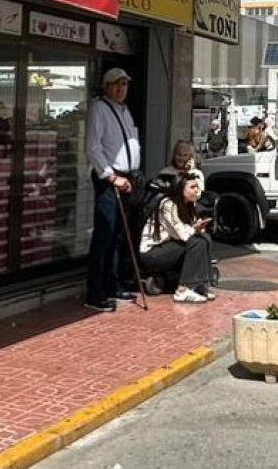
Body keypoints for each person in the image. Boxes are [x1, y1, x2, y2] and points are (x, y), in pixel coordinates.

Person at [85, 67, 141, 312]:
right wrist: (111, 176)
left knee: (118, 235)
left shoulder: (124, 109)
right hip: (110, 179)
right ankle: (95, 293)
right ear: (106, 86)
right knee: (104, 234)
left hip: (126, 178)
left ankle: (112, 285)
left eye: (124, 84)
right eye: (116, 83)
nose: (121, 88)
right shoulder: (99, 108)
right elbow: (92, 147)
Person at [139, 172, 219, 303]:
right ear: (181, 188)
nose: (196, 190)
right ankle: (182, 290)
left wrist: (199, 228)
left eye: (196, 187)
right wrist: (195, 229)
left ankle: (199, 284)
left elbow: (190, 231)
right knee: (196, 242)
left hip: (171, 246)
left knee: (204, 238)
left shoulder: (189, 204)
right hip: (153, 252)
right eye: (192, 187)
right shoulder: (167, 204)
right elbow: (182, 235)